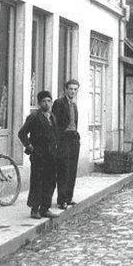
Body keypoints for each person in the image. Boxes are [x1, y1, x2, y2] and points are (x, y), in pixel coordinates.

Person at [18, 91, 59, 219]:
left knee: (50, 181)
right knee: (37, 181)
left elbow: (55, 134)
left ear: (51, 102)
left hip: (51, 155)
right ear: (39, 103)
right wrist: (30, 146)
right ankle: (34, 209)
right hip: (38, 155)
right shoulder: (34, 117)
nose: (46, 103)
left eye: (48, 101)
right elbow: (22, 133)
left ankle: (45, 208)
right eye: (43, 101)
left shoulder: (52, 116)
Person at [52, 79, 81, 210]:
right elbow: (55, 123)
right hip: (63, 139)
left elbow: (74, 122)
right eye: (71, 89)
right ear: (65, 90)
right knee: (63, 169)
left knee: (72, 169)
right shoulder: (59, 103)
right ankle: (61, 200)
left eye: (75, 89)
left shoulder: (74, 105)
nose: (73, 91)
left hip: (74, 138)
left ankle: (69, 198)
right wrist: (57, 141)